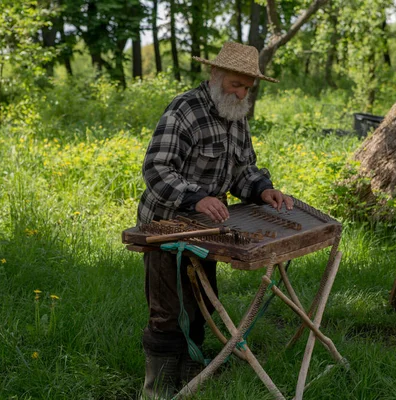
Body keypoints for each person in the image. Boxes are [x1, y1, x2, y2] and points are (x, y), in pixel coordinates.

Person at [137, 41, 293, 398]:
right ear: (215, 74)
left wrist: (262, 190)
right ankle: (157, 390)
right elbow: (156, 168)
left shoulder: (237, 117)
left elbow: (242, 172)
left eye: (247, 88)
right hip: (165, 223)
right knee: (167, 310)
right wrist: (196, 197)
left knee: (202, 303)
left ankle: (194, 378)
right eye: (235, 85)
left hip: (208, 228)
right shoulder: (185, 110)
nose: (241, 94)